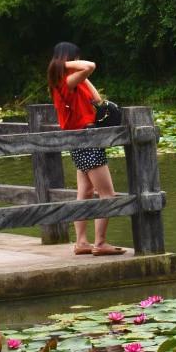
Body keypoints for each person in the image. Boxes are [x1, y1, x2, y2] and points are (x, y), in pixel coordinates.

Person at [47, 41, 125, 256]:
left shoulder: (74, 80)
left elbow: (97, 100)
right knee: (107, 194)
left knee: (85, 192)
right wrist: (65, 65)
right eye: (75, 58)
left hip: (81, 139)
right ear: (68, 58)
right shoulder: (65, 81)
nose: (78, 61)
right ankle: (100, 243)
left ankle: (82, 242)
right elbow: (90, 65)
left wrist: (79, 73)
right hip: (86, 139)